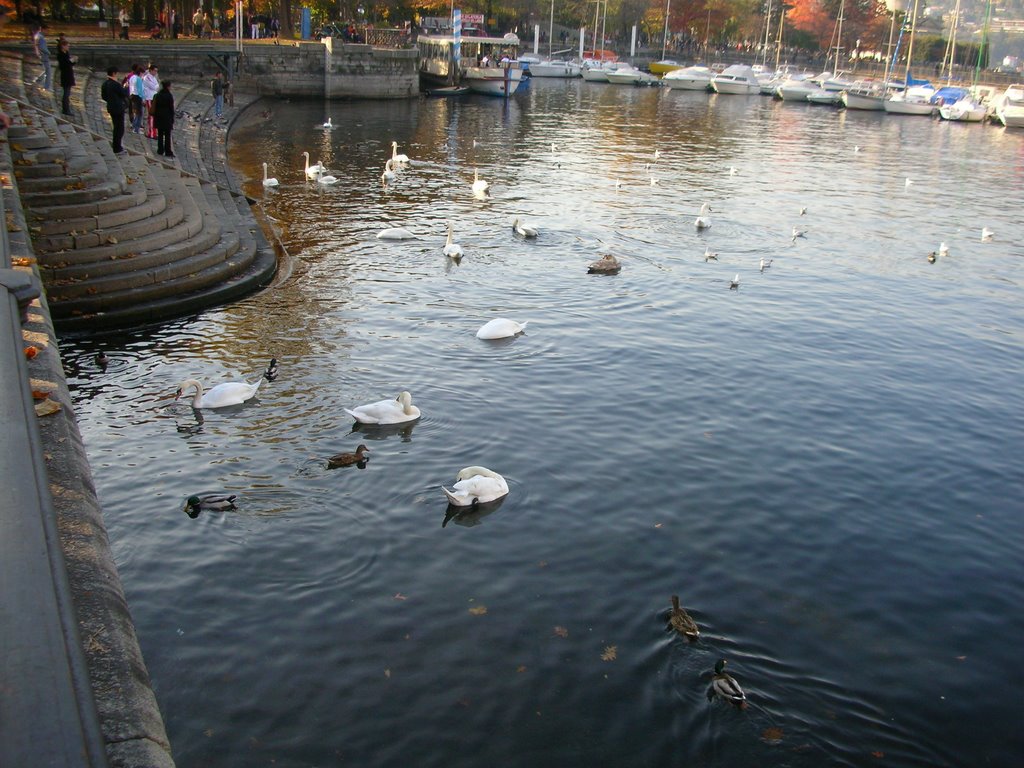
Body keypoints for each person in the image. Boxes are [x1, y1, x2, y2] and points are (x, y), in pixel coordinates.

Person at [100, 66, 128, 153]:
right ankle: (117, 148)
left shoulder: (105, 84)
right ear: (114, 73)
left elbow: (104, 97)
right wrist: (126, 87)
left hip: (111, 107)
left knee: (116, 127)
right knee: (119, 128)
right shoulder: (115, 84)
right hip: (118, 108)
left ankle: (117, 146)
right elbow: (124, 93)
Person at [152, 80, 175, 158]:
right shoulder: (169, 96)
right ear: (168, 87)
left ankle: (160, 150)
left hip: (158, 117)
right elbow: (171, 108)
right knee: (167, 135)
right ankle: (168, 151)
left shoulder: (158, 95)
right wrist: (172, 118)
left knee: (160, 134)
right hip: (167, 117)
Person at [56, 37, 75, 115]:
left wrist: (73, 61)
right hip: (65, 76)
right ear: (63, 46)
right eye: (67, 46)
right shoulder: (60, 55)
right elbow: (63, 65)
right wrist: (71, 61)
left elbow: (70, 64)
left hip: (69, 75)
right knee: (66, 94)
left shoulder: (66, 54)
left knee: (67, 93)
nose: (68, 47)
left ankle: (67, 109)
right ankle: (65, 110)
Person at [32, 24, 52, 92]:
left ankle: (37, 80)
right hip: (44, 55)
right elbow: (42, 47)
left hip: (41, 54)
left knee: (47, 70)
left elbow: (36, 45)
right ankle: (46, 87)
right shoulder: (40, 37)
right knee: (48, 72)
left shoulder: (37, 35)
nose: (47, 32)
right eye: (47, 30)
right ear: (43, 29)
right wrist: (49, 52)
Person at [142, 64, 159, 139]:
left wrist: (156, 86)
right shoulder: (147, 77)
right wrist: (156, 86)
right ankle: (151, 133)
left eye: (156, 71)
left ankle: (154, 132)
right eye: (155, 70)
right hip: (149, 98)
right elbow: (154, 87)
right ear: (151, 70)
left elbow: (157, 86)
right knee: (151, 116)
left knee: (155, 116)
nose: (156, 72)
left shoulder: (154, 78)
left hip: (154, 98)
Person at [128, 63, 145, 133]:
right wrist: (143, 99)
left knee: (136, 112)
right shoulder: (138, 79)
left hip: (132, 95)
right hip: (137, 96)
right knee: (139, 113)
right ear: (140, 73)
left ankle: (135, 126)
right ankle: (136, 128)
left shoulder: (132, 78)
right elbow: (140, 90)